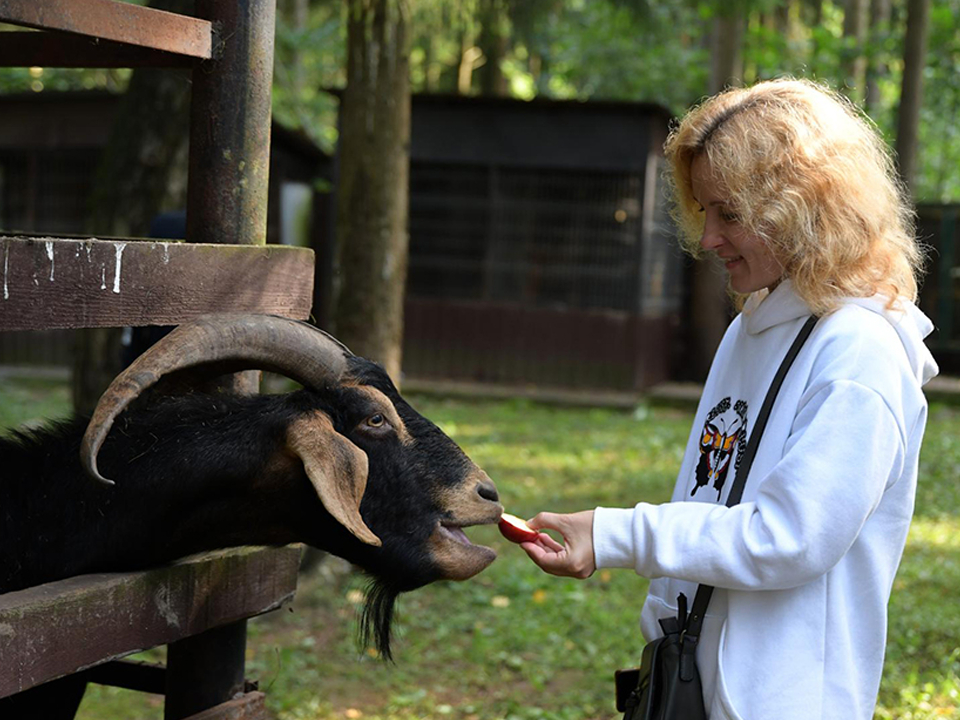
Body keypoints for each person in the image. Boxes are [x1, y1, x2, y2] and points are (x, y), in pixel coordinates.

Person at [519, 78, 938, 720]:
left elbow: (788, 538)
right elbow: (707, 493)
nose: (708, 237)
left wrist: (616, 535)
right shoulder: (753, 325)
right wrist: (663, 623)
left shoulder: (861, 353)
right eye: (704, 209)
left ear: (807, 208)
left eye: (731, 213)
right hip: (695, 687)